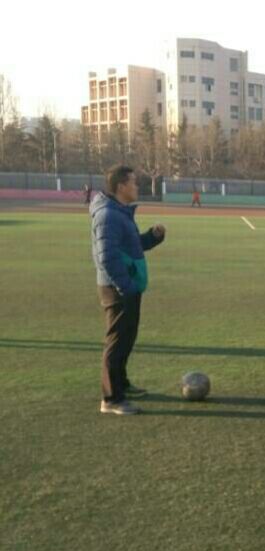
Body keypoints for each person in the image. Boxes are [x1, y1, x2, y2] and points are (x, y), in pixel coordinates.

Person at [90, 164, 166, 415]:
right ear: (121, 186)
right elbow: (107, 256)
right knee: (117, 341)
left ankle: (121, 384)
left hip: (127, 286)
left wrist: (152, 237)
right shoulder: (108, 215)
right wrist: (126, 286)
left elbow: (132, 247)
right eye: (133, 182)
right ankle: (111, 399)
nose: (137, 186)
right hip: (117, 288)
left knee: (126, 338)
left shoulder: (120, 212)